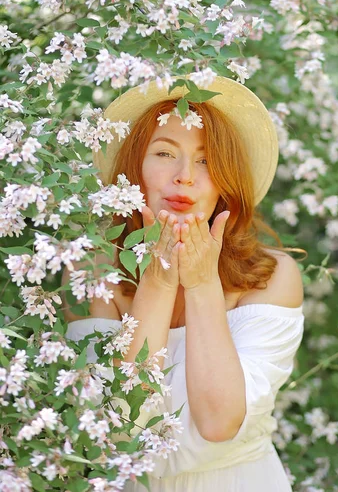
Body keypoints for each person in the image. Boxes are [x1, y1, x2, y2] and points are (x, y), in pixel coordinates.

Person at [64, 76, 305, 491]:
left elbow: (217, 422)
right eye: (163, 153)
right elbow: (120, 429)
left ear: (226, 183)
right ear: (132, 170)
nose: (184, 177)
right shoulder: (91, 270)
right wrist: (158, 280)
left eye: (207, 160)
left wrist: (200, 283)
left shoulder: (271, 277)